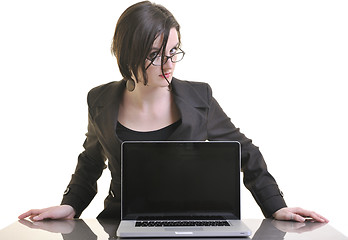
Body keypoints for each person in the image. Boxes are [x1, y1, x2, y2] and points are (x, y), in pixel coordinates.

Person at [18, 1, 328, 223]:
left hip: (191, 223)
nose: (169, 65)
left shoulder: (199, 96)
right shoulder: (99, 99)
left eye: (173, 52)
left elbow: (245, 152)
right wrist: (70, 205)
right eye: (154, 55)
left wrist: (276, 207)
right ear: (127, 54)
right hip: (120, 222)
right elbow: (90, 162)